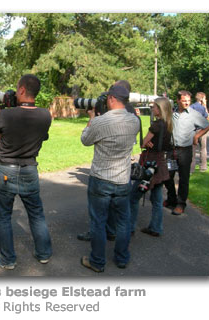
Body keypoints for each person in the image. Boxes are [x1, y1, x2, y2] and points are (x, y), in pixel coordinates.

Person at [0, 74, 52, 270]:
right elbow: (43, 137)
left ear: (23, 90)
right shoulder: (45, 115)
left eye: (17, 89)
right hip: (29, 169)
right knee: (36, 214)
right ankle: (43, 254)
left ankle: (8, 260)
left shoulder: (6, 115)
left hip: (6, 170)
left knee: (3, 216)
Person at [80, 85, 140, 272]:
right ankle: (122, 258)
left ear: (112, 98)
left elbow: (85, 140)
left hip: (101, 178)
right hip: (123, 178)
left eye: (107, 98)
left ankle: (97, 261)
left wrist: (91, 118)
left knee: (98, 221)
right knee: (123, 221)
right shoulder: (135, 121)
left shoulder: (101, 122)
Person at [130, 98, 173, 237]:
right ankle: (155, 227)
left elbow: (143, 143)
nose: (152, 109)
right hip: (161, 162)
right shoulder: (168, 124)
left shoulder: (156, 125)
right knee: (157, 200)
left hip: (151, 165)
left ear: (160, 109)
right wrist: (149, 142)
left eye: (154, 107)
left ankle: (129, 227)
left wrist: (145, 142)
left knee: (133, 197)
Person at [163, 90, 209, 215]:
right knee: (167, 176)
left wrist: (196, 136)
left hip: (185, 151)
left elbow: (208, 125)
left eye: (188, 101)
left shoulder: (193, 114)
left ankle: (180, 204)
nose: (187, 103)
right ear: (178, 100)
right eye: (184, 101)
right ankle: (171, 198)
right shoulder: (171, 113)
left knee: (184, 178)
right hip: (171, 151)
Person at [190, 92, 209, 172]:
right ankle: (203, 167)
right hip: (202, 131)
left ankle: (191, 169)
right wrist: (205, 105)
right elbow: (207, 117)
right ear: (202, 99)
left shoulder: (192, 106)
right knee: (203, 148)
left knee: (192, 150)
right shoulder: (202, 108)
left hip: (193, 130)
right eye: (205, 98)